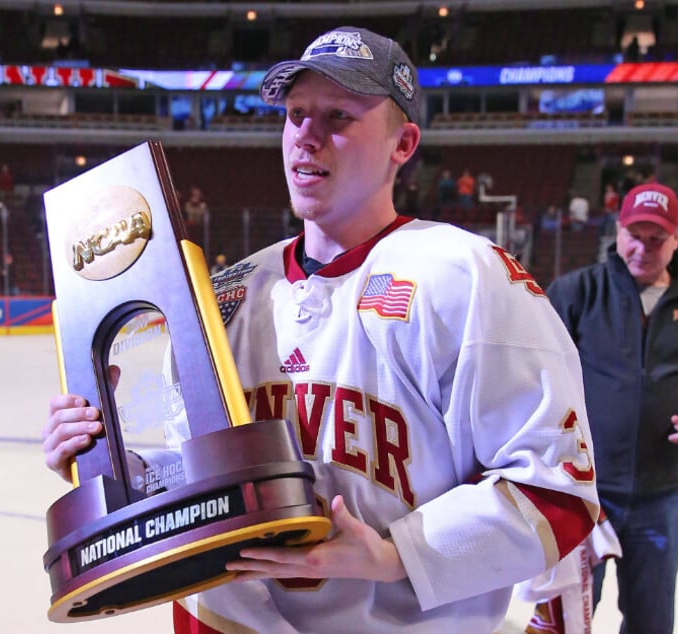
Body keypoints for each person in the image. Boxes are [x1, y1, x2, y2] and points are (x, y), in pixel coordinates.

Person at [42, 26, 599, 633]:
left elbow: (556, 488)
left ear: (402, 142)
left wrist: (394, 556)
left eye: (339, 116)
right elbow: (191, 480)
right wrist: (107, 459)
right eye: (296, 114)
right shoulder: (229, 292)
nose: (307, 135)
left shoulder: (467, 277)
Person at [545, 182, 678, 633]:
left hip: (659, 495)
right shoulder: (577, 292)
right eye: (635, 235)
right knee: (567, 620)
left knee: (652, 622)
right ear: (618, 230)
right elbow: (533, 373)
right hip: (583, 494)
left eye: (657, 239)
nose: (643, 249)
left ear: (676, 239)